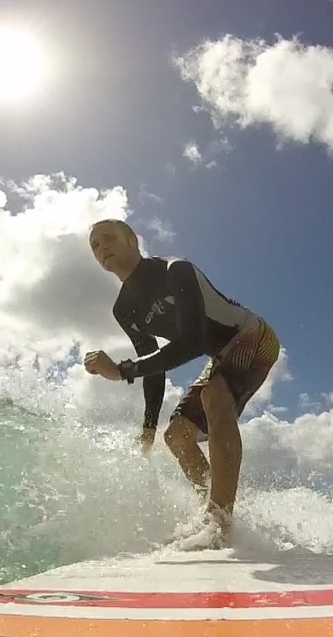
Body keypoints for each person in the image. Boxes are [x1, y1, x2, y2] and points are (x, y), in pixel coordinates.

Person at [83, 218, 280, 550]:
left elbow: (191, 341)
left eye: (108, 239)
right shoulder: (124, 308)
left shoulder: (175, 270)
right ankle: (213, 509)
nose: (101, 248)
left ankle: (220, 522)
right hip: (219, 357)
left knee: (216, 395)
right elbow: (152, 363)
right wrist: (148, 425)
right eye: (94, 246)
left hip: (253, 334)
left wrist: (121, 370)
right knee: (176, 437)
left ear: (133, 240)